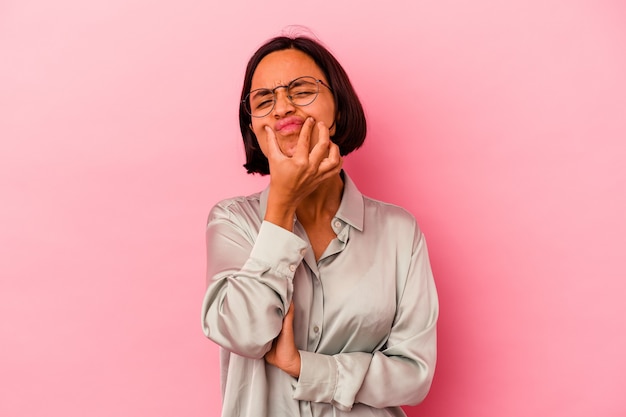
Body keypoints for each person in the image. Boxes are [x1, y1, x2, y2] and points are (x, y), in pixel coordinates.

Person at [201, 32, 439, 417]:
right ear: (254, 127)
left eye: (301, 89)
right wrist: (280, 204)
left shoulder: (399, 233)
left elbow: (415, 375)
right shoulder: (232, 222)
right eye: (264, 100)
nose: (281, 108)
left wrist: (308, 369)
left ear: (339, 108)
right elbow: (243, 333)